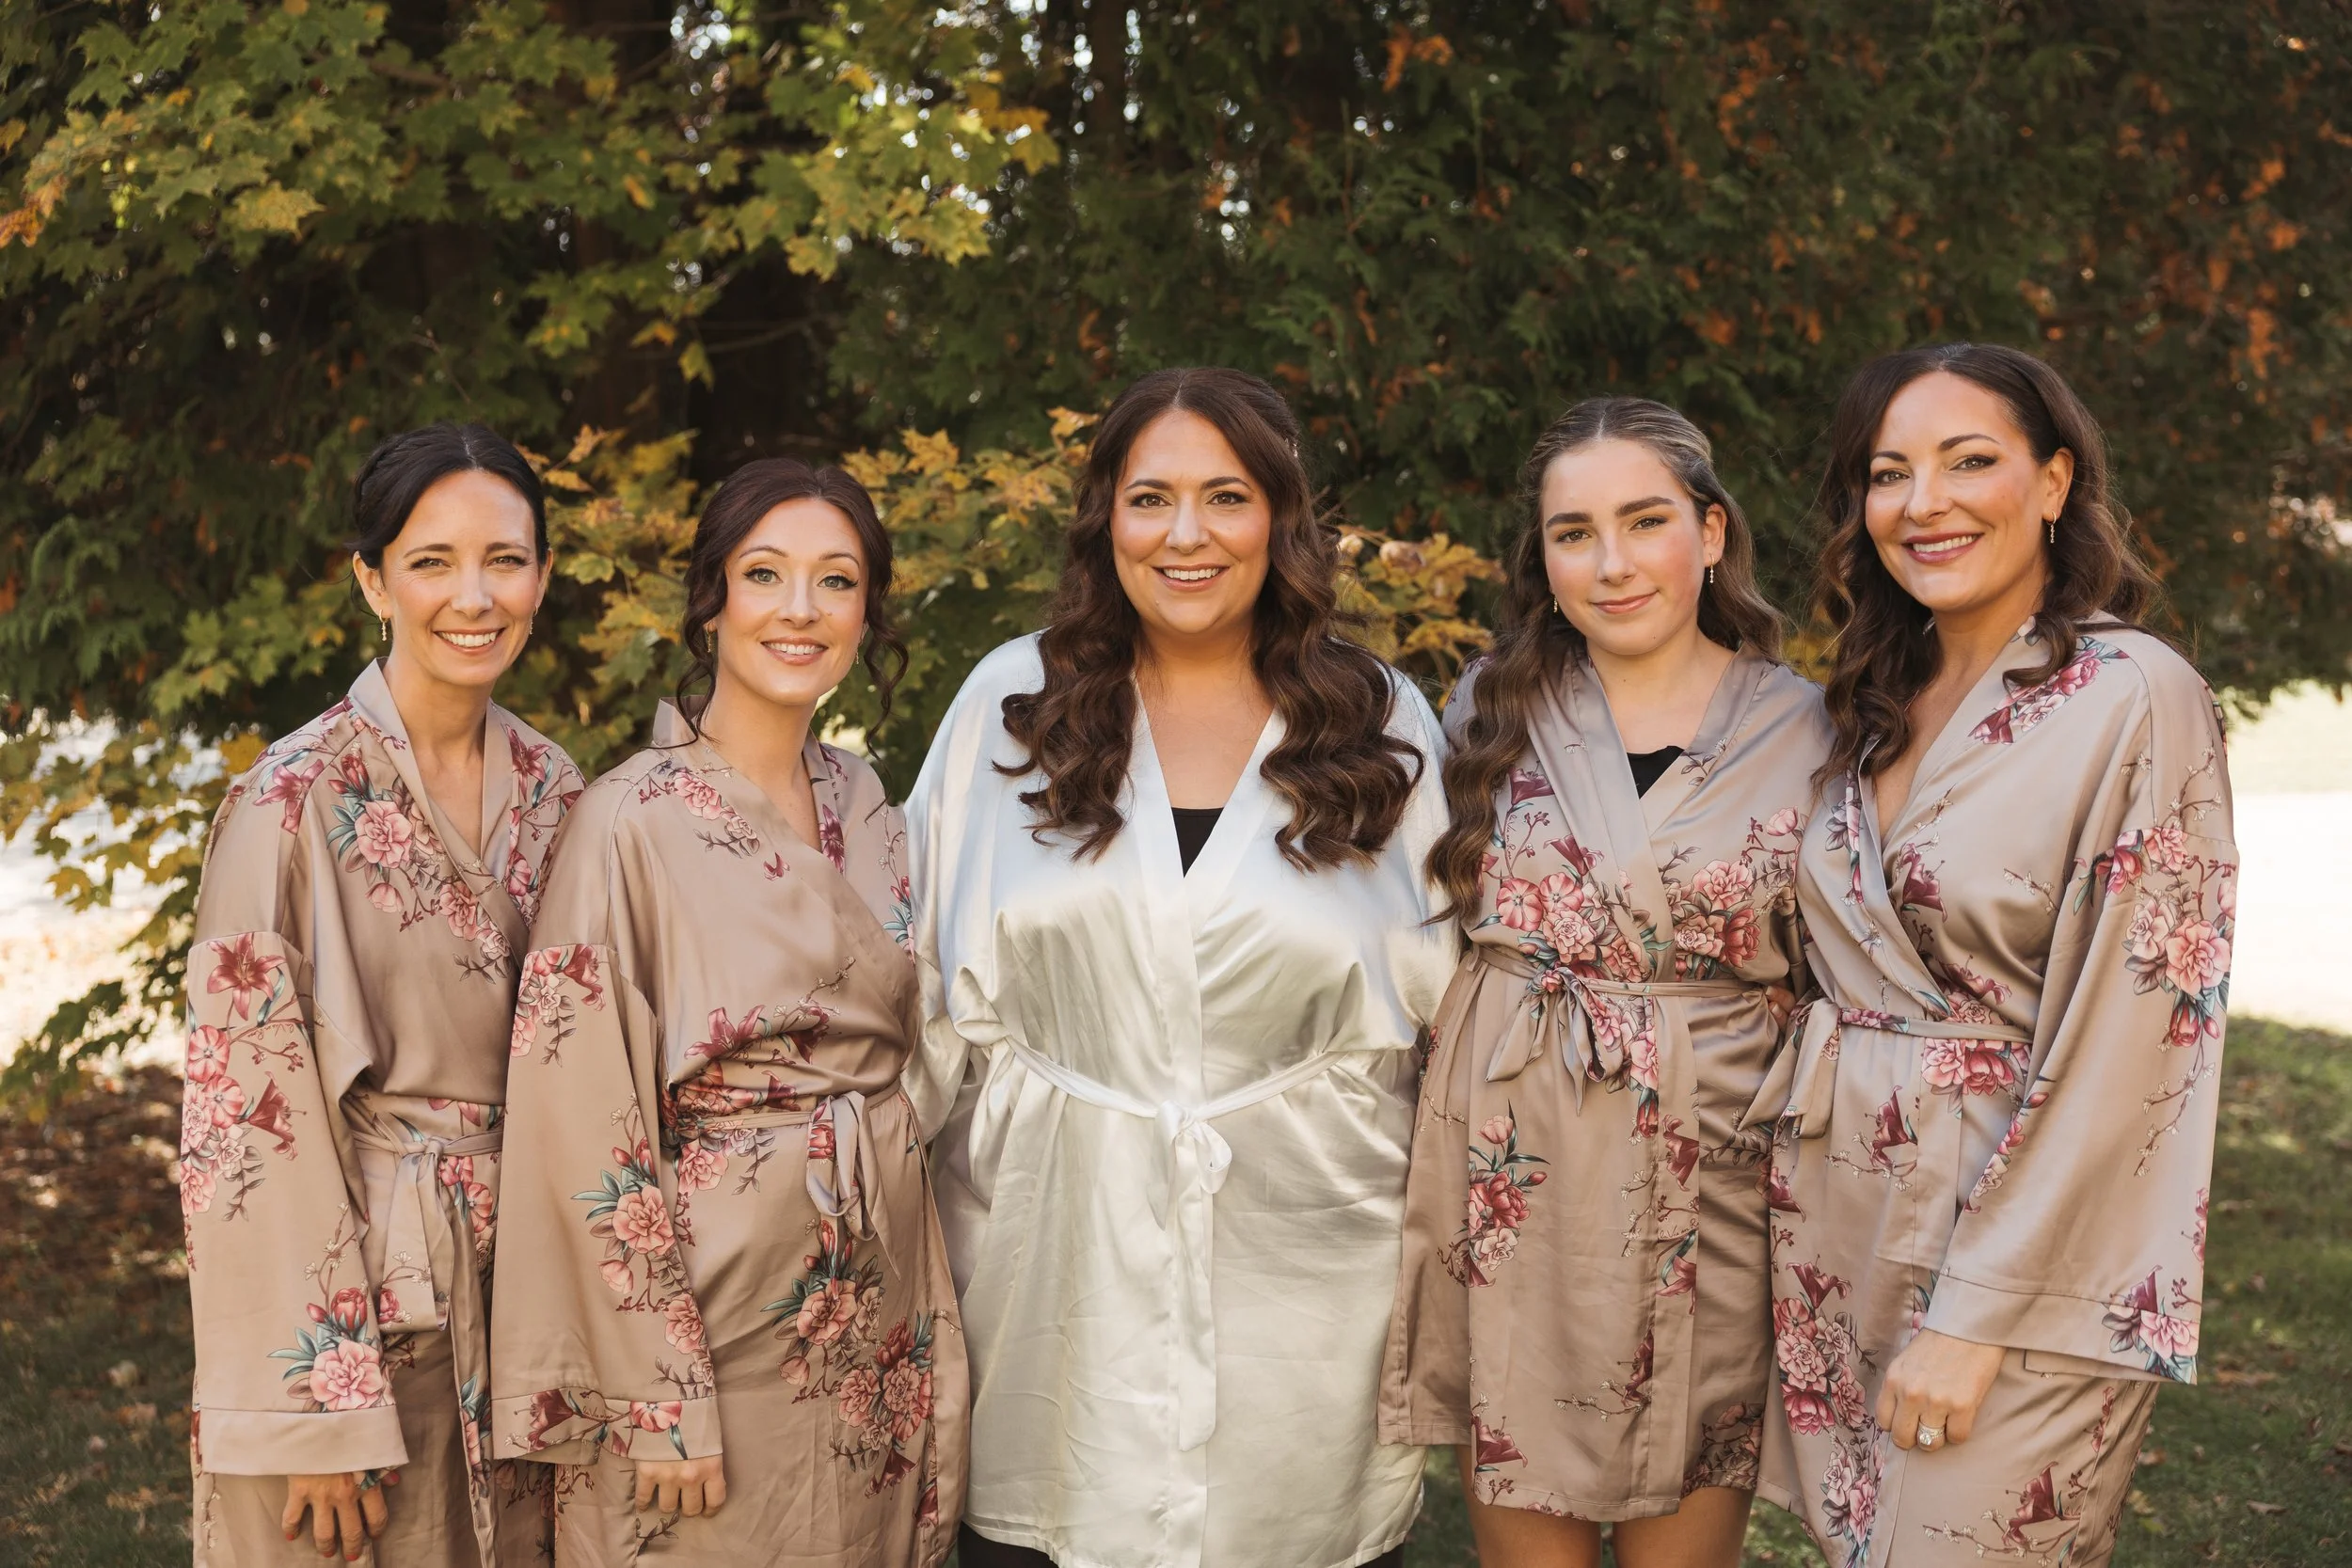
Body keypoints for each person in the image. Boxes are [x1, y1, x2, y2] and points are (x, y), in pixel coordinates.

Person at [904, 367, 1454, 1568]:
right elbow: (918, 997)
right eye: (1152, 497)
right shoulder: (1010, 704)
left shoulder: (1380, 717)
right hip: (1050, 1266)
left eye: (1227, 496)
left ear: (1281, 517)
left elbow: (1450, 1012)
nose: (1187, 534)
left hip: (1315, 1281)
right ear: (1106, 517)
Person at [1756, 344, 2233, 1568]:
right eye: (1889, 472)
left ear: (2057, 480)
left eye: (1970, 461)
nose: (1926, 502)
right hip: (1844, 1227)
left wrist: (1980, 1312)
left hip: (2023, 1248)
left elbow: (2138, 1044)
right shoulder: (1872, 694)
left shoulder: (2131, 693)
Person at [486, 458, 967, 1567]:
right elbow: (579, 1123)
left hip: (873, 1290)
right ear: (710, 601)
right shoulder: (626, 819)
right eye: (765, 574)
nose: (800, 610)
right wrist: (655, 1389)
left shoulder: (869, 801)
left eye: (835, 581)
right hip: (708, 1311)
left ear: (866, 612)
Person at [1380, 399, 1830, 1567]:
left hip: (1711, 1166)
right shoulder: (1489, 704)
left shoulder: (1812, 729)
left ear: (1712, 532)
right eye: (1574, 532)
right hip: (1515, 1167)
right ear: (1544, 556)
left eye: (1645, 520)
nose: (1612, 561)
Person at [182, 424, 582, 1565]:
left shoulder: (559, 788)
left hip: (525, 1303)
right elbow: (239, 1124)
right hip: (352, 1309)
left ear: (543, 577)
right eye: (431, 560)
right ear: (373, 579)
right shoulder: (290, 800)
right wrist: (317, 1408)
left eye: (506, 560)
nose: (475, 595)